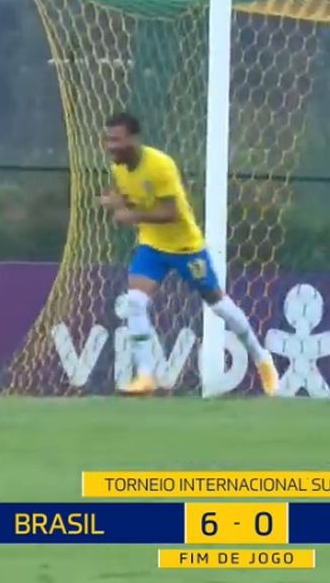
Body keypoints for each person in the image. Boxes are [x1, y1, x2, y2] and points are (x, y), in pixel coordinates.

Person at [99, 112, 278, 396]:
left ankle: (261, 358)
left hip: (185, 248)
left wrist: (131, 215)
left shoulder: (160, 165)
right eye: (108, 140)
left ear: (133, 139)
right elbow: (128, 197)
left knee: (218, 304)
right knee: (134, 302)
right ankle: (145, 375)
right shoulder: (118, 169)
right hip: (152, 247)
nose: (111, 146)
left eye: (117, 140)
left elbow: (170, 212)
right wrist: (117, 203)